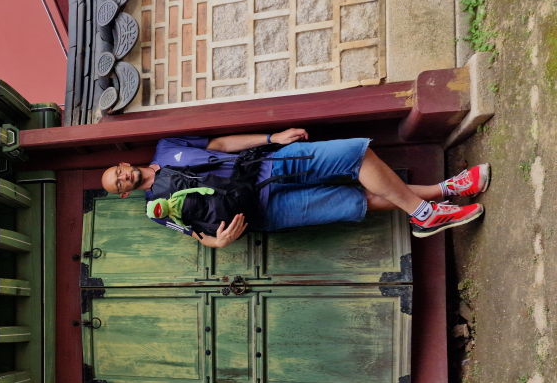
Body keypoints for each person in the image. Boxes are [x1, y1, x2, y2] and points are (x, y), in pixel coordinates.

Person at [99, 130, 488, 247]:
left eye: (117, 172)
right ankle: (445, 191)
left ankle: (424, 213)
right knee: (357, 202)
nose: (122, 178)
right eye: (118, 184)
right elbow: (195, 235)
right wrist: (217, 243)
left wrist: (272, 136)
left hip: (267, 164)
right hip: (261, 214)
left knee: (356, 155)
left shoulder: (166, 148)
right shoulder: (155, 209)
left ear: (122, 164)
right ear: (122, 193)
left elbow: (218, 145)